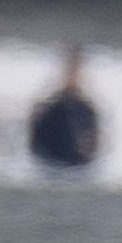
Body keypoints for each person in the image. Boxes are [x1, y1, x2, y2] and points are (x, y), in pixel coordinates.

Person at [29, 50, 104, 180]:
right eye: (70, 70)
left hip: (80, 176)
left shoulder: (87, 110)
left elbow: (93, 147)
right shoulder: (50, 109)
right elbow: (37, 144)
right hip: (51, 174)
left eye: (77, 71)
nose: (73, 75)